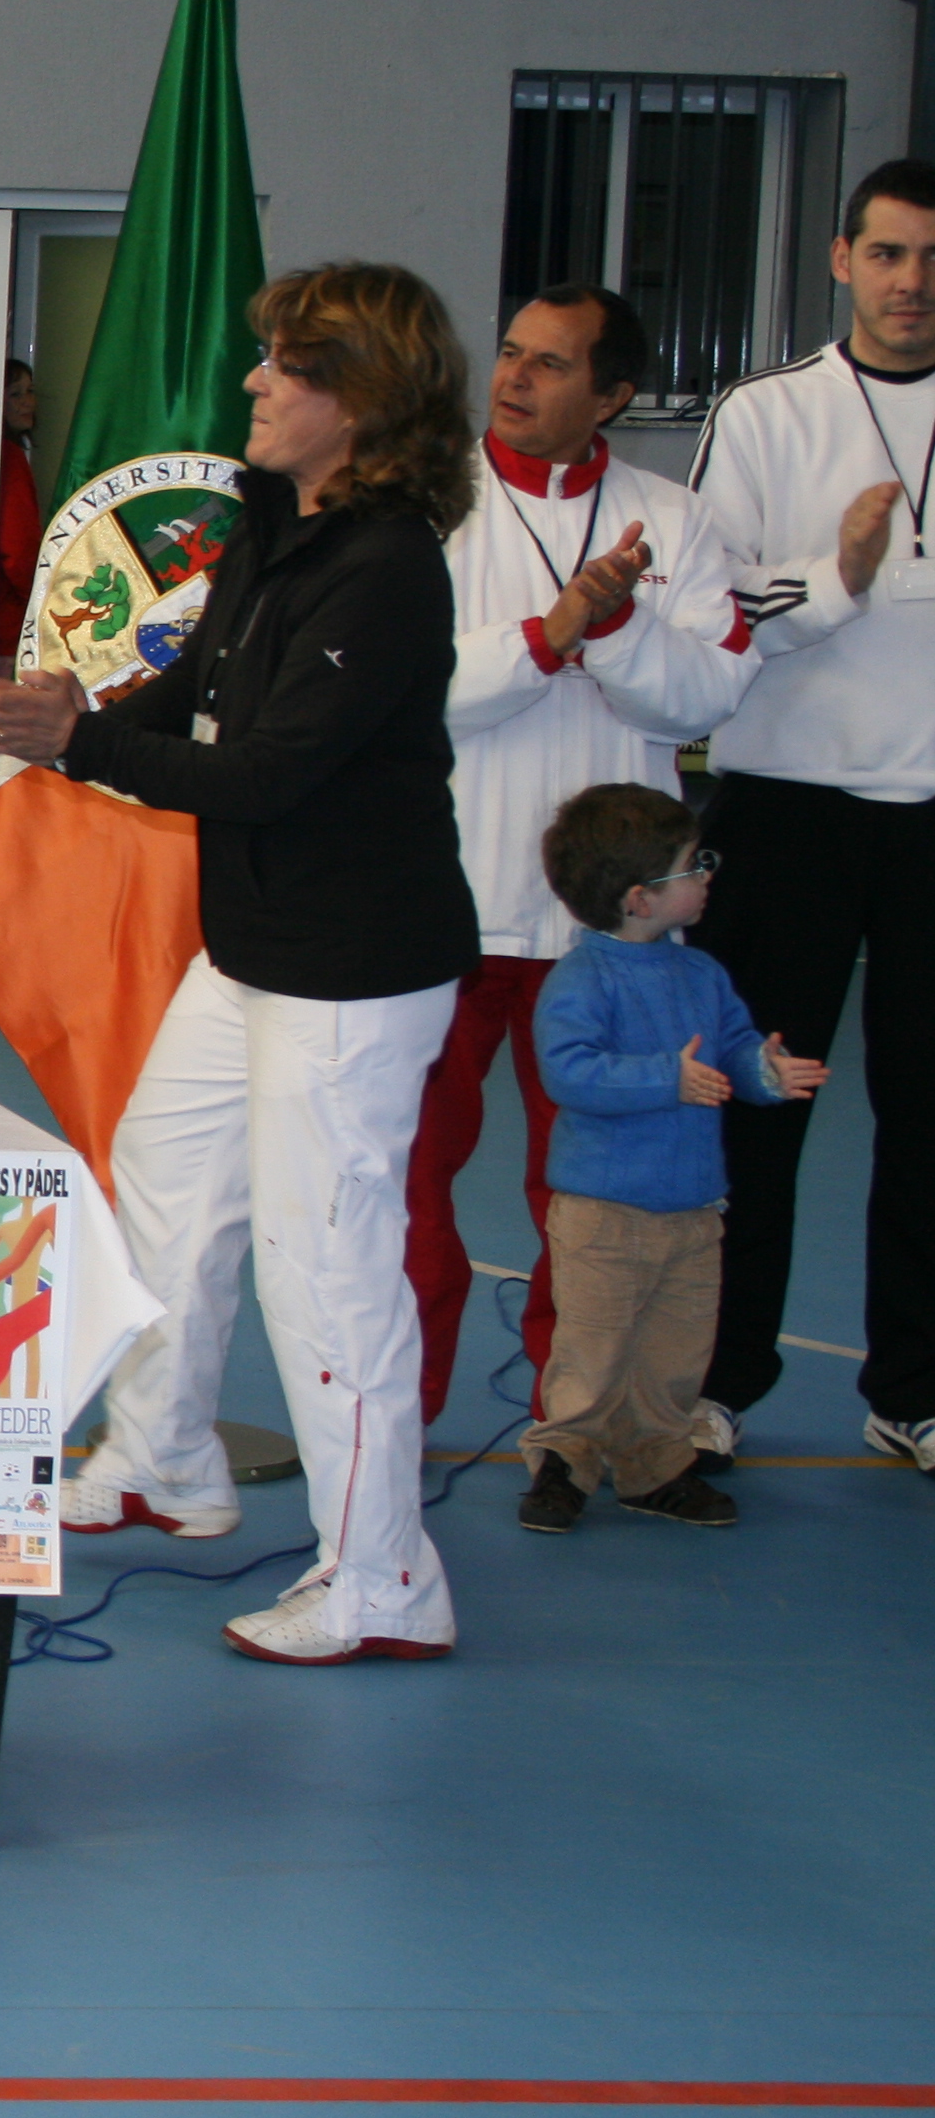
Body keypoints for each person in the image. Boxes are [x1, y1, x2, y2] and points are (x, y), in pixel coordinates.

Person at [0, 262, 480, 1665]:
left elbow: (266, 773)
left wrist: (77, 745)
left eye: (286, 366)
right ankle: (163, 1455)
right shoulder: (275, 521)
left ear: (359, 400)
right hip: (254, 947)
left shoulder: (385, 568)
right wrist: (84, 707)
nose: (255, 381)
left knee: (327, 1266)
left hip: (353, 970)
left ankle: (384, 1578)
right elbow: (204, 687)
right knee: (166, 1177)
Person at [406, 287, 748, 1422]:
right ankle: (396, 1414)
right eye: (510, 353)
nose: (513, 377)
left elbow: (707, 695)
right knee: (406, 1185)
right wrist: (548, 638)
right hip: (443, 909)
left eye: (550, 364)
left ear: (613, 396)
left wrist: (619, 625)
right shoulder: (423, 500)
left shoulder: (675, 521)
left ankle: (579, 1430)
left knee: (601, 1202)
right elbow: (402, 689)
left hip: (613, 936)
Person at [682, 159, 935, 1476]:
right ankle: (720, 1384)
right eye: (888, 253)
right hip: (788, 809)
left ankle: (914, 1392)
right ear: (841, 259)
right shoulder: (767, 414)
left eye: (933, 258)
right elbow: (709, 607)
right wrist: (835, 576)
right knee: (757, 1106)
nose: (912, 282)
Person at [519, 785, 826, 1535]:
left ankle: (654, 1466)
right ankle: (565, 1460)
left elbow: (734, 1046)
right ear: (640, 899)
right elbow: (570, 1072)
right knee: (592, 1350)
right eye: (694, 865)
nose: (707, 875)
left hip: (693, 1210)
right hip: (602, 1212)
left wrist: (764, 1072)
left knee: (675, 1353)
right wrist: (667, 1078)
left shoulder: (702, 974)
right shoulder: (580, 980)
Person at [0, 358, 44, 664]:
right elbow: (19, 548)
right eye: (15, 394)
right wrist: (38, 599)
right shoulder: (9, 458)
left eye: (30, 391)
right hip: (8, 623)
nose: (27, 402)